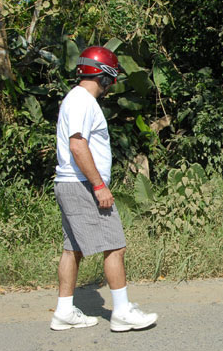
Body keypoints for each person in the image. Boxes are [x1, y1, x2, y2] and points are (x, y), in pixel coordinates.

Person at [51, 46, 158, 332]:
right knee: (115, 245)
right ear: (106, 75)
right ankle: (122, 312)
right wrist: (99, 185)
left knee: (72, 249)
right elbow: (77, 144)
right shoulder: (83, 101)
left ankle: (63, 311)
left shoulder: (75, 100)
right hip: (83, 184)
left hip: (70, 183)